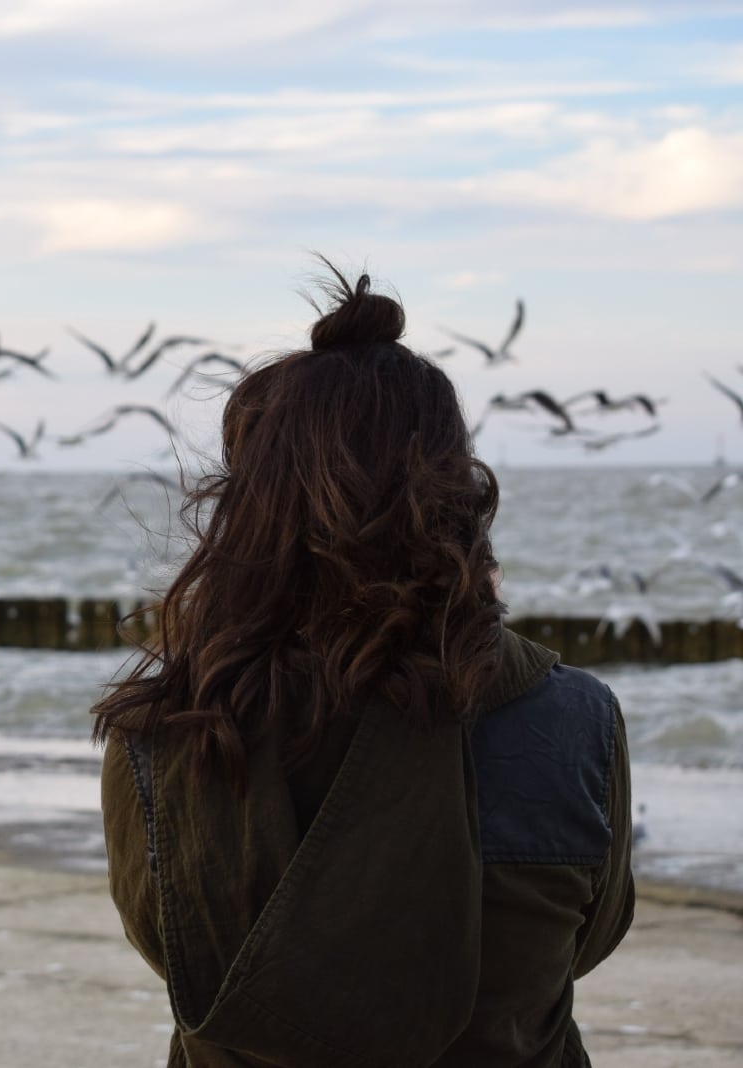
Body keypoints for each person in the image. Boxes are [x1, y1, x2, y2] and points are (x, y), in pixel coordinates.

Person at [94, 264, 634, 1067]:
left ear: (248, 510)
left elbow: (171, 948)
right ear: (456, 495)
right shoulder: (570, 717)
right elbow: (590, 940)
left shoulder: (164, 733)